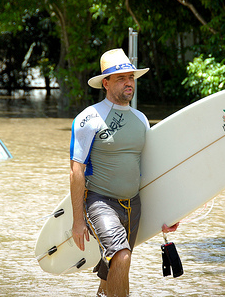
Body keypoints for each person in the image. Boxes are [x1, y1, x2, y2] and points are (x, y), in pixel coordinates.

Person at [69, 48, 178, 297]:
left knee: (115, 267)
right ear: (105, 83)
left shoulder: (141, 120)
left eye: (130, 77)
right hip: (100, 201)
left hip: (134, 204)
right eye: (121, 78)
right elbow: (76, 171)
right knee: (122, 255)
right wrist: (78, 220)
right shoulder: (89, 118)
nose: (128, 83)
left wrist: (172, 210)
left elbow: (153, 171)